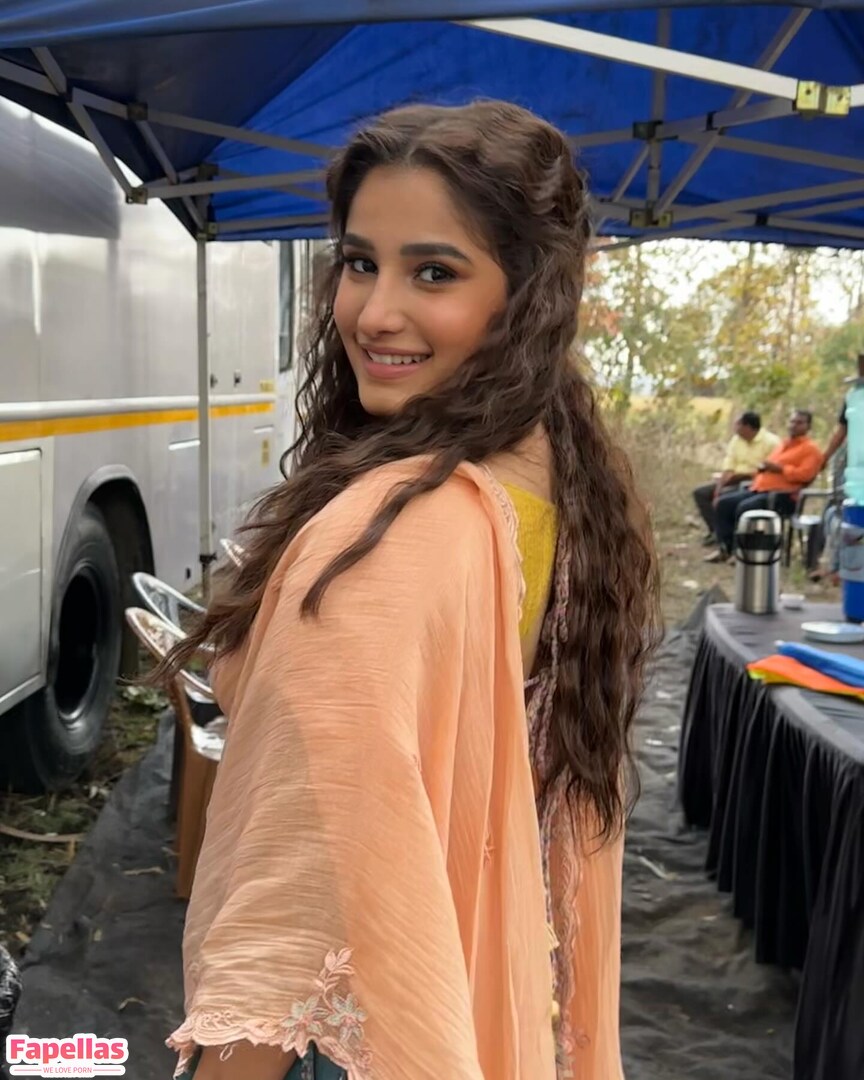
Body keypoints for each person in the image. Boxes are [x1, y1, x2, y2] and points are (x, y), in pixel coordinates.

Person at [159, 101, 660, 1080]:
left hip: (347, 1033)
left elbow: (298, 910)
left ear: (526, 295)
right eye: (360, 263)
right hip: (453, 984)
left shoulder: (395, 538)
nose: (374, 312)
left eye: (434, 272)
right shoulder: (551, 471)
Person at [708, 409, 823, 561]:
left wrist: (780, 469)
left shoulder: (811, 449)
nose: (794, 425)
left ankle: (743, 551)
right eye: (792, 421)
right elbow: (768, 466)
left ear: (808, 427)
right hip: (759, 489)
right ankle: (726, 549)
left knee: (745, 508)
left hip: (784, 496)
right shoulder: (783, 445)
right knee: (723, 503)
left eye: (799, 423)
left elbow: (806, 475)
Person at [691, 411, 780, 544]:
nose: (734, 427)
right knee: (701, 493)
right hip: (733, 478)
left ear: (747, 427)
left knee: (726, 498)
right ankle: (715, 531)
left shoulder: (771, 442)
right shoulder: (737, 440)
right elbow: (728, 467)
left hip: (754, 481)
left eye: (738, 424)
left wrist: (739, 478)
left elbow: (770, 470)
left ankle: (731, 537)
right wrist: (718, 490)